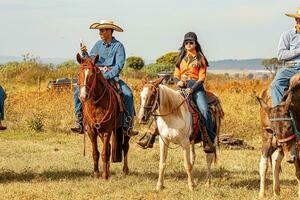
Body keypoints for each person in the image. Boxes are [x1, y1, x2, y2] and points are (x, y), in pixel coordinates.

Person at [137, 32, 216, 152]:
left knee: (204, 110)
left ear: (195, 44)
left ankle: (208, 139)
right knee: (162, 105)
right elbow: (176, 74)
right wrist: (178, 81)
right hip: (181, 88)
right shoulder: (181, 58)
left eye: (191, 42)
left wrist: (192, 88)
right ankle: (150, 135)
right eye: (186, 42)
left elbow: (202, 78)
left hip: (196, 88)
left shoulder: (201, 58)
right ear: (184, 44)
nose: (188, 44)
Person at [71, 20, 138, 137]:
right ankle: (79, 121)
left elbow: (119, 65)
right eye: (99, 30)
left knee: (128, 94)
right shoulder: (97, 45)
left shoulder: (118, 46)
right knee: (77, 91)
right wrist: (84, 53)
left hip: (113, 79)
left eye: (102, 30)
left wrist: (106, 76)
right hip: (96, 79)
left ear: (110, 31)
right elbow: (90, 62)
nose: (100, 33)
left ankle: (128, 125)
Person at [270, 8, 300, 143]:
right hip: (290, 67)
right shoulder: (287, 35)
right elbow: (281, 55)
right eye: (298, 19)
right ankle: (279, 113)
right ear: (296, 20)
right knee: (275, 84)